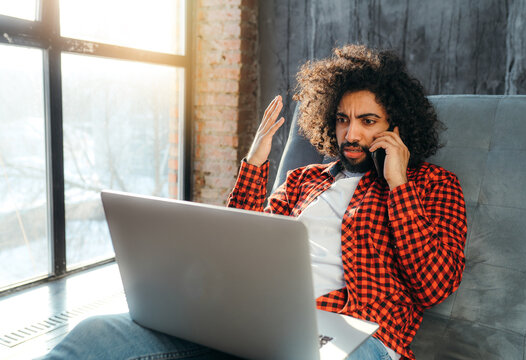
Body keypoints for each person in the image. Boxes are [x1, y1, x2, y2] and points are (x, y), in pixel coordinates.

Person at [41, 45, 466, 360]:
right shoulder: (303, 180)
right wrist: (255, 162)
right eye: (342, 119)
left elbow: (433, 286)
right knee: (95, 334)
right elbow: (235, 249)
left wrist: (398, 187)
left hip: (355, 338)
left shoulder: (434, 185)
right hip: (258, 324)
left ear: (397, 126)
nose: (350, 135)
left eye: (367, 121)